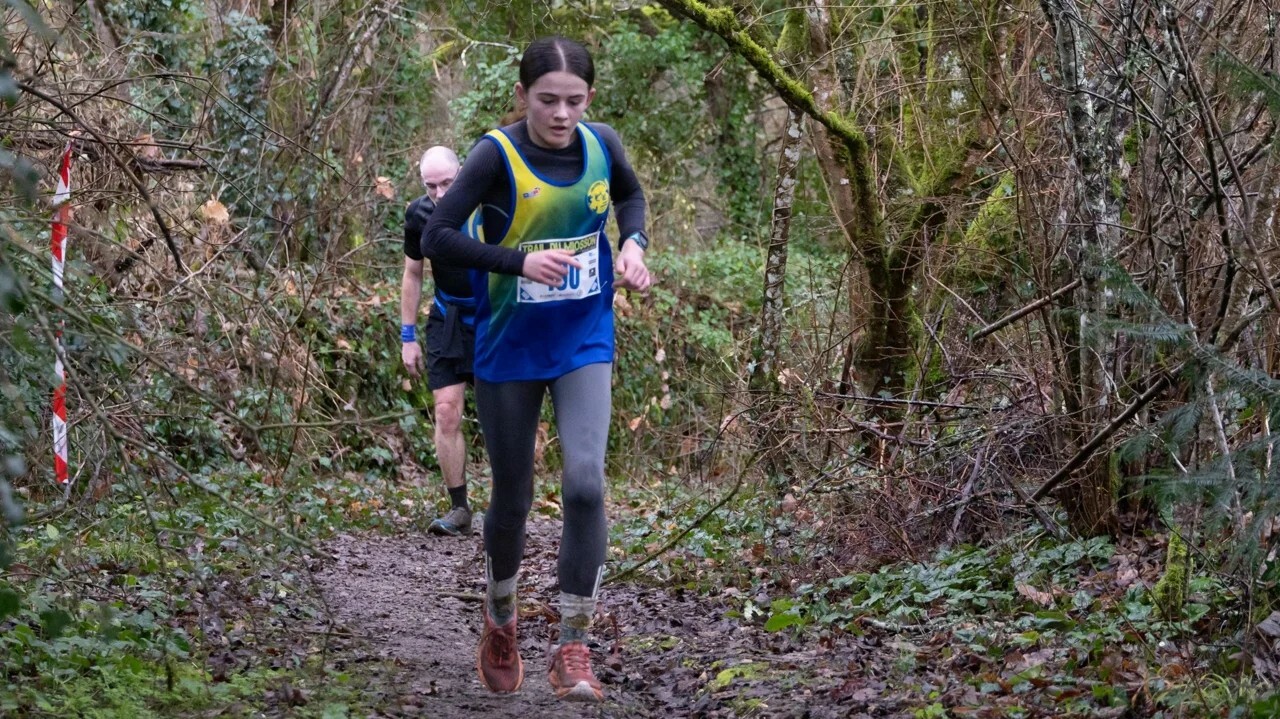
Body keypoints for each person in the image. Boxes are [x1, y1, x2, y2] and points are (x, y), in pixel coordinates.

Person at [422, 36, 651, 703]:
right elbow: (438, 234)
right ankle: (500, 617)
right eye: (547, 100)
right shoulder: (496, 154)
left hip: (583, 338)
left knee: (585, 483)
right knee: (514, 497)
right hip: (510, 346)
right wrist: (518, 261)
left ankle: (573, 647)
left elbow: (631, 197)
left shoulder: (602, 143)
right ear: (522, 95)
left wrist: (634, 245)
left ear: (590, 98)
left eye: (574, 101)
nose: (561, 114)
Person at [401, 146, 478, 536]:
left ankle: (511, 507)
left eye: (447, 183)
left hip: (493, 319)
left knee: (502, 414)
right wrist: (408, 336)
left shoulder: (487, 204)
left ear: (462, 172)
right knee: (446, 411)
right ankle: (459, 508)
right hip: (448, 318)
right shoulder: (418, 213)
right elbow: (413, 274)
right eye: (431, 186)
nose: (440, 194)